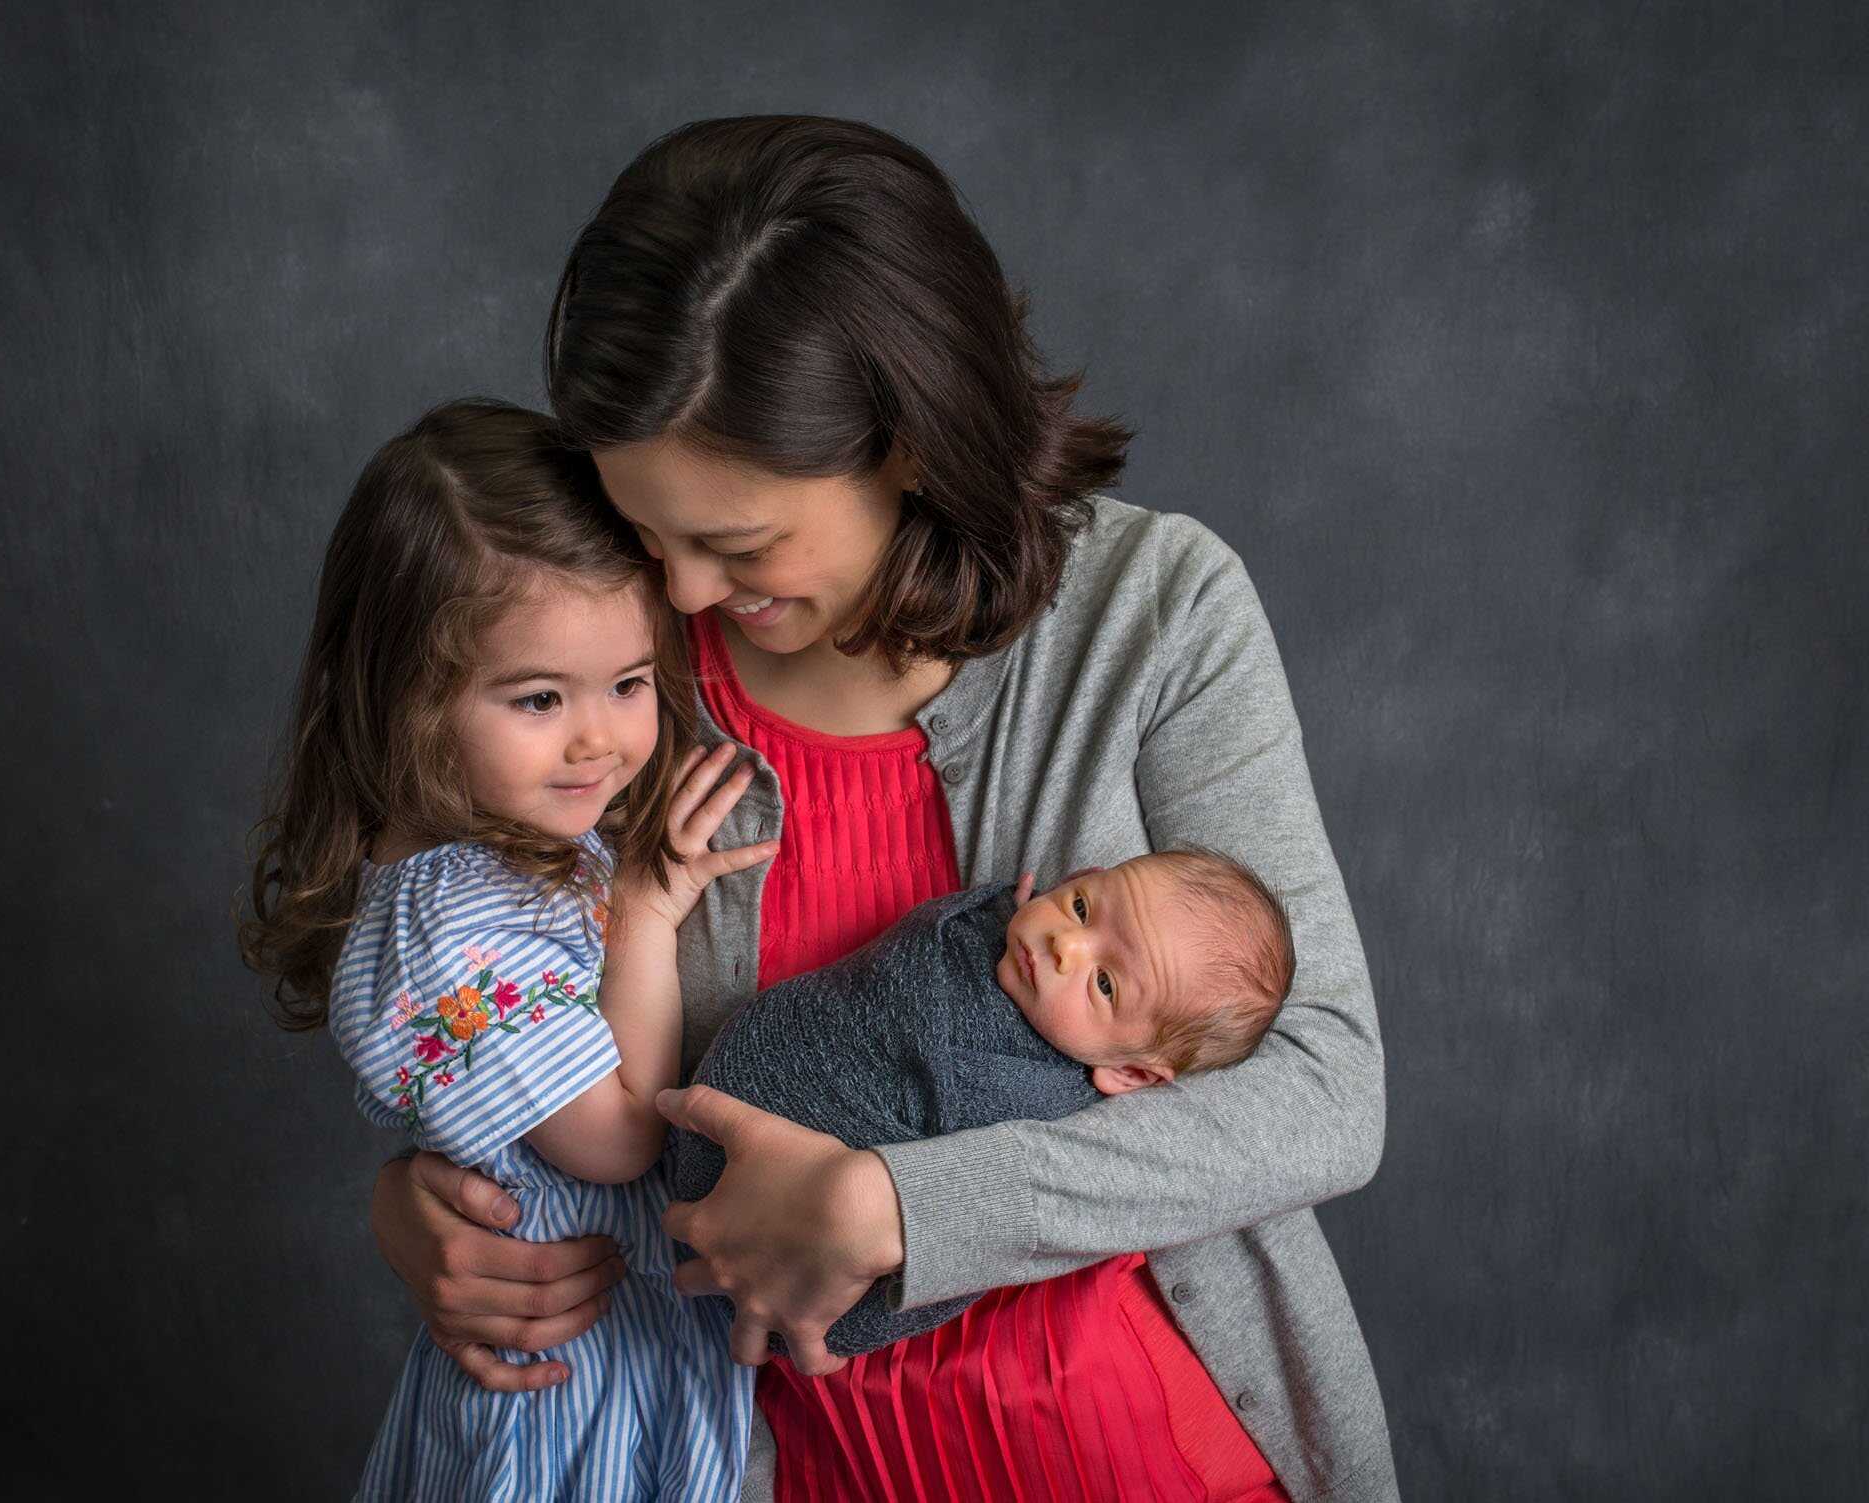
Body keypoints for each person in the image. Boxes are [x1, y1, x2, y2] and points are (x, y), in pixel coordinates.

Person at [372, 117, 1398, 1503]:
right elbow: (510, 985)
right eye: (645, 531)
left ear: (910, 444)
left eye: (734, 545)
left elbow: (1326, 1089)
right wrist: (431, 1200)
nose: (677, 593)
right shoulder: (607, 682)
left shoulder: (1155, 613)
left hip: (1152, 1453)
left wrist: (905, 1211)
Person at [242, 400, 776, 1500]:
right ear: (410, 703)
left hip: (620, 1352)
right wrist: (650, 908)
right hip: (567, 1389)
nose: (602, 738)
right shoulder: (452, 927)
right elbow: (620, 1136)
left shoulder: (514, 843)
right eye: (538, 698)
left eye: (630, 682)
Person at [670, 850, 1295, 1358]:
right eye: (1080, 907)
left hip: (803, 1262)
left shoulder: (1026, 1096)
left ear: (1129, 1072)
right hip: (719, 1116)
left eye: (1104, 984)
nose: (1065, 946)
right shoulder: (1009, 933)